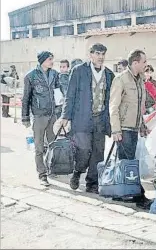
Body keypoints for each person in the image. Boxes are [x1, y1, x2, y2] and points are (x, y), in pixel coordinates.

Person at [61, 43, 115, 194]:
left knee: (98, 152)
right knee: (84, 151)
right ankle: (77, 172)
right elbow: (70, 95)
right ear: (91, 55)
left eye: (103, 54)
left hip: (100, 119)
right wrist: (65, 116)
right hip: (82, 118)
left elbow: (112, 100)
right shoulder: (78, 71)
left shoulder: (109, 75)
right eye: (97, 54)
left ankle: (92, 183)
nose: (100, 57)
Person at [109, 49, 152, 209]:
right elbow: (113, 106)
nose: (145, 65)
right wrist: (115, 130)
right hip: (124, 128)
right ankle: (138, 196)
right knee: (129, 164)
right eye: (143, 62)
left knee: (127, 163)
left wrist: (142, 124)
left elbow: (139, 105)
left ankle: (121, 194)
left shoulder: (140, 80)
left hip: (134, 128)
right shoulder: (121, 80)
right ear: (135, 63)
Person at [21, 51, 60, 186]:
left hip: (52, 114)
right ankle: (42, 174)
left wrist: (59, 112)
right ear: (43, 60)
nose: (52, 61)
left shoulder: (54, 74)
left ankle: (51, 168)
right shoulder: (30, 76)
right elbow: (26, 98)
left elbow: (58, 92)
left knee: (53, 144)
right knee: (39, 147)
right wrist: (25, 117)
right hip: (38, 116)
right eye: (50, 59)